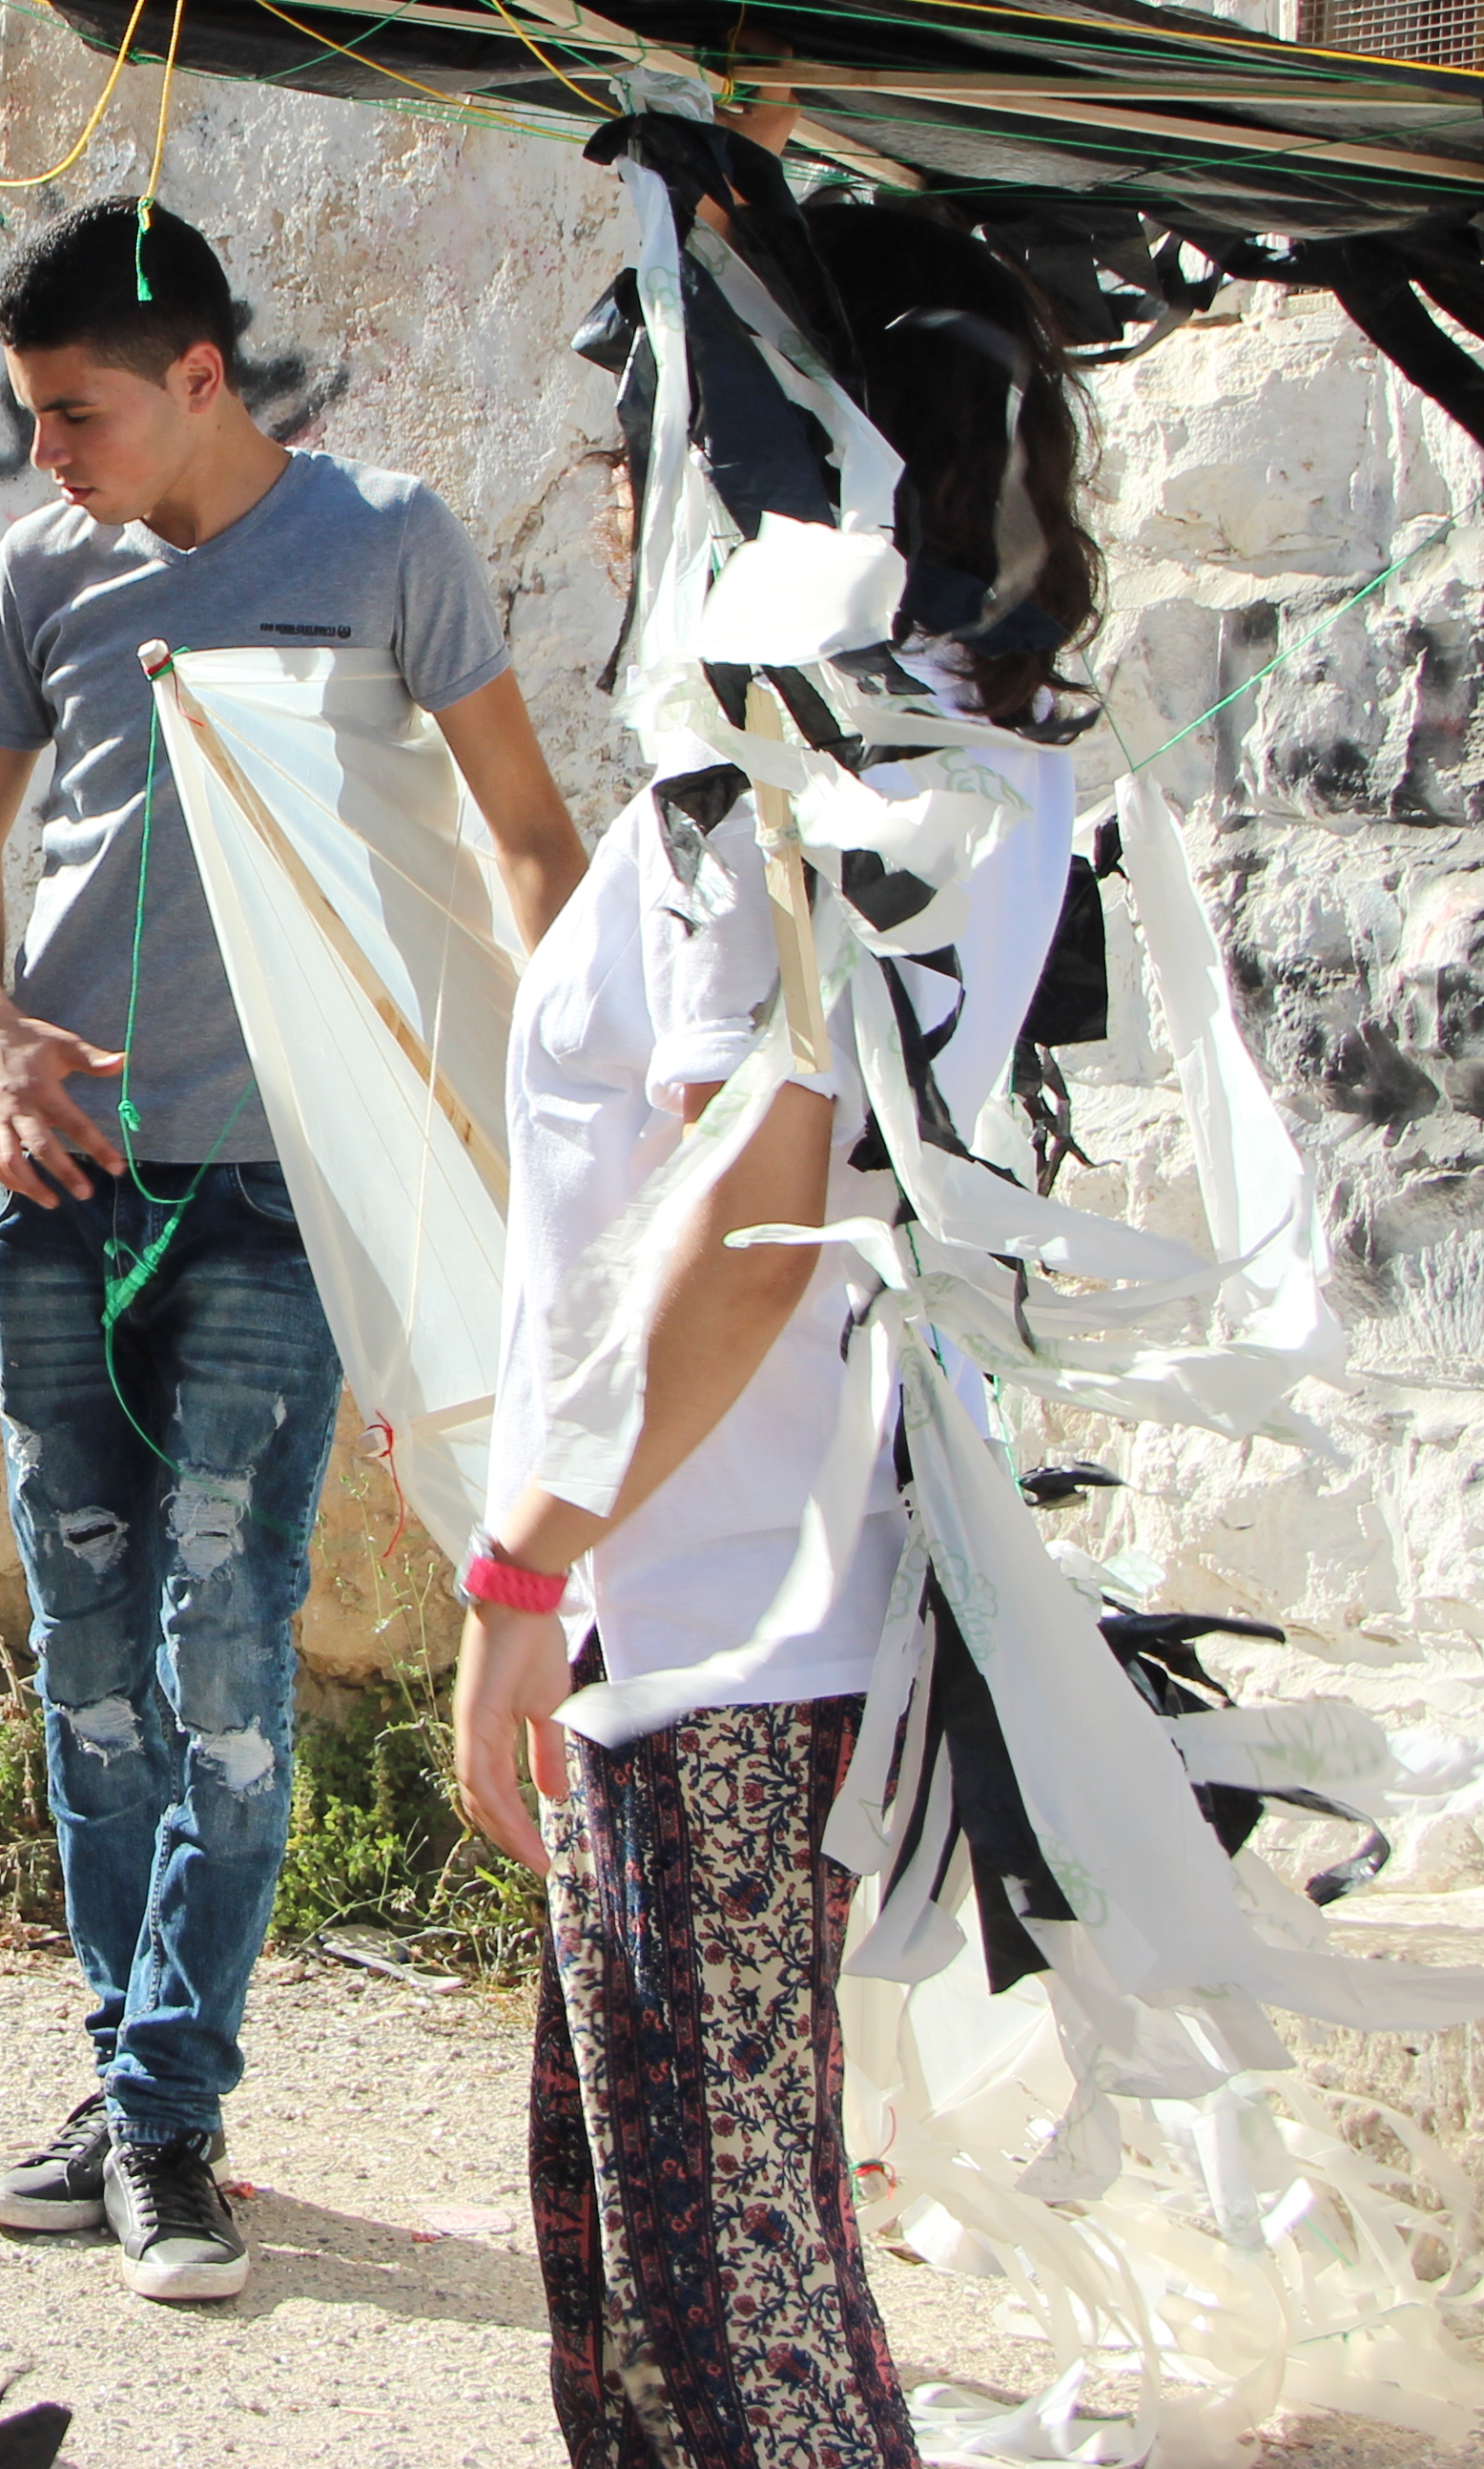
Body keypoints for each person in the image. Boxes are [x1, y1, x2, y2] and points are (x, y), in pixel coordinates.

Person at [449, 201, 1094, 2466]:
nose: (614, 497)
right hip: (735, 1610)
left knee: (737, 2310)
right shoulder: (904, 771)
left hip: (724, 1623)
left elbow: (753, 1207)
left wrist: (529, 1561)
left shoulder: (802, 801)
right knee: (649, 2270)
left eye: (655, 442)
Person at [0, 198, 587, 2301]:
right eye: (29, 416)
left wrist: (563, 1121)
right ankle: (135, 2083)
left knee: (225, 1657)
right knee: (87, 1664)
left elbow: (529, 839)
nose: (50, 453)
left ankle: (167, 2119)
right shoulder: (42, 575)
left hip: (286, 1199)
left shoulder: (391, 543)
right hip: (60, 1188)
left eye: (77, 411)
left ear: (201, 377)